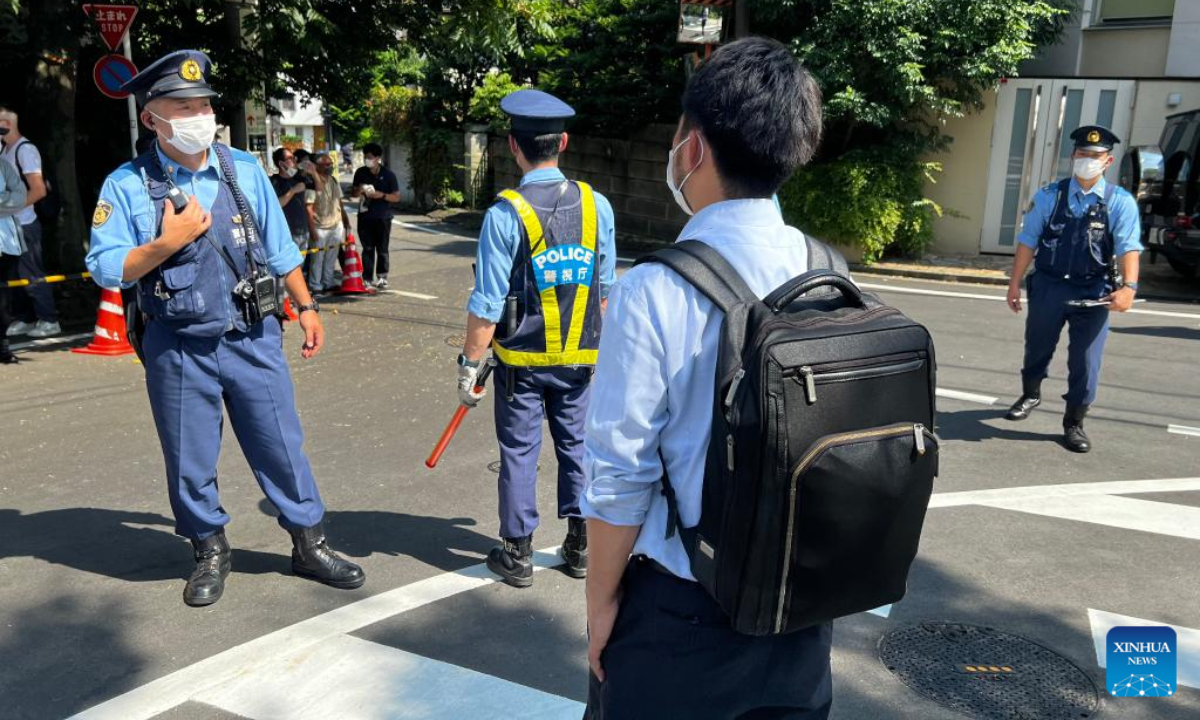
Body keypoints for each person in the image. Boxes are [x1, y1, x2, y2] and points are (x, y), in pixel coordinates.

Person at [580, 38, 831, 718]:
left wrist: (601, 605)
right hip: (801, 617)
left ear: (692, 148)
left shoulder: (653, 289)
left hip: (683, 618)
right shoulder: (827, 270)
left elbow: (618, 475)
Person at [85, 50, 365, 607]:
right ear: (151, 119)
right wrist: (169, 241)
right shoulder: (127, 184)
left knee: (281, 445)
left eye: (204, 105)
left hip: (252, 335)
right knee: (189, 458)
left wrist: (306, 307)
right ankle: (209, 548)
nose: (199, 115)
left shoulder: (242, 168)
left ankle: (309, 542)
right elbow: (106, 267)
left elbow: (280, 248)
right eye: (183, 106)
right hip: (179, 345)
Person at [456, 89, 616, 589]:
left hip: (521, 365)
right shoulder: (597, 207)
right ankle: (580, 545)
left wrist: (468, 366)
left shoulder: (506, 214)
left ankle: (518, 553)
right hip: (580, 363)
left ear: (512, 146)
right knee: (578, 448)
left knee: (520, 452)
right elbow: (605, 292)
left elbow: (487, 302)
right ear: (563, 142)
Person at [1004, 125, 1142, 453]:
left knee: (1085, 361)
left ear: (1107, 161)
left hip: (1094, 292)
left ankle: (1074, 422)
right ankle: (1031, 393)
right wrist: (1014, 283)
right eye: (1082, 154)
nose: (1087, 160)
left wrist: (1129, 288)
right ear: (1072, 156)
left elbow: (1128, 248)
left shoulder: (1119, 202)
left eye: (1095, 156)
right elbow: (1028, 241)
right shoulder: (1050, 196)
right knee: (1036, 347)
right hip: (1049, 286)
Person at [0, 106, 60, 339]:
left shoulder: (25, 150)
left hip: (24, 223)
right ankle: (26, 318)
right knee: (14, 274)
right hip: (9, 226)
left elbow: (38, 190)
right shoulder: (6, 150)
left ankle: (49, 319)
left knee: (32, 271)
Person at [349, 143, 400, 289]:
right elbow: (353, 194)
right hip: (365, 216)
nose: (367, 160)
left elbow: (396, 197)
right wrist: (361, 189)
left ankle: (382, 276)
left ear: (378, 158)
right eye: (366, 157)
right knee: (368, 248)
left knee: (382, 248)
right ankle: (367, 277)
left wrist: (381, 195)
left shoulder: (389, 175)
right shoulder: (360, 172)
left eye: (370, 157)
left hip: (383, 217)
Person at [270, 147, 319, 270]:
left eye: (294, 157)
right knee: (288, 270)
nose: (294, 160)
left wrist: (314, 173)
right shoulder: (273, 181)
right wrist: (292, 191)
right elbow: (276, 205)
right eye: (290, 158)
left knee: (299, 268)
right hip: (287, 233)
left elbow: (320, 191)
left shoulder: (298, 177)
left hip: (303, 230)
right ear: (281, 163)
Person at [308, 152, 350, 293]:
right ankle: (315, 285)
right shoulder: (311, 183)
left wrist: (345, 221)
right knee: (317, 259)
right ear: (316, 166)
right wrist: (312, 229)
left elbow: (339, 201)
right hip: (319, 226)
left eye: (331, 164)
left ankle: (328, 282)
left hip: (335, 224)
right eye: (326, 164)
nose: (330, 166)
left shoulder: (333, 180)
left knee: (331, 257)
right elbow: (308, 208)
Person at [0, 155, 27, 364]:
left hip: (6, 242)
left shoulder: (4, 166)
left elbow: (19, 197)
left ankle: (2, 345)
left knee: (3, 299)